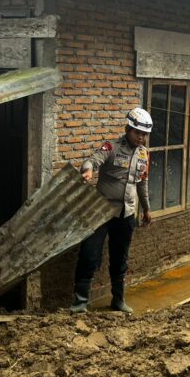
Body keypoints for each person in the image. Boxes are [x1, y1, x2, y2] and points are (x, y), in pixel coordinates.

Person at [70, 107, 153, 314]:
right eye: (137, 133)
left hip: (126, 215)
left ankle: (118, 299)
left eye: (144, 134)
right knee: (89, 255)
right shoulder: (112, 147)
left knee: (120, 258)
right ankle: (80, 302)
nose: (141, 137)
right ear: (127, 129)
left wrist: (147, 209)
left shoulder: (144, 154)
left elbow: (142, 184)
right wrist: (87, 170)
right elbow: (92, 160)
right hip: (101, 212)